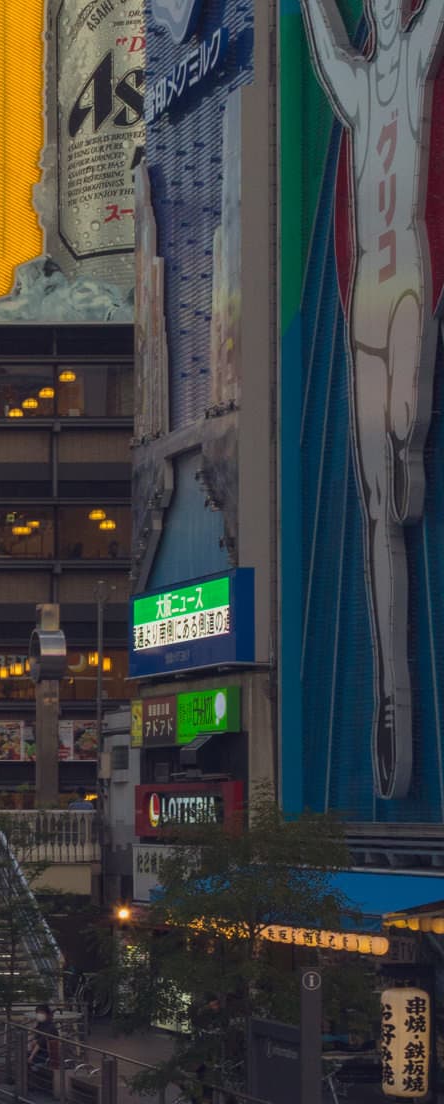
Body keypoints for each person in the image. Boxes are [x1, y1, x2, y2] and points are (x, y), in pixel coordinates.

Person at [300, 0, 444, 798]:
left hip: (411, 281)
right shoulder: (353, 88)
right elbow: (320, 33)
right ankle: (389, 700)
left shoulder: (419, 55)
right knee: (378, 505)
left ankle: (412, 448)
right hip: (367, 296)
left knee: (403, 438)